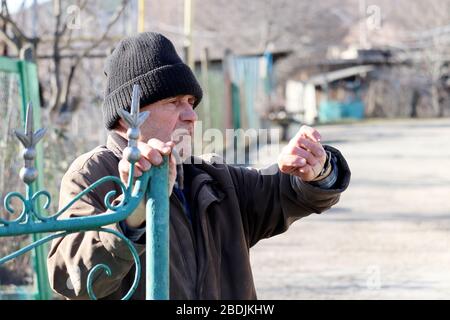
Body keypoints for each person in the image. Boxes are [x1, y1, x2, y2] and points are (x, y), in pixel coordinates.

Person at [47, 32, 351, 300]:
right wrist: (132, 216)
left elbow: (284, 193)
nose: (191, 115)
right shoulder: (93, 173)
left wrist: (316, 169)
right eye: (174, 101)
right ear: (127, 116)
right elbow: (72, 279)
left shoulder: (209, 177)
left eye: (191, 101)